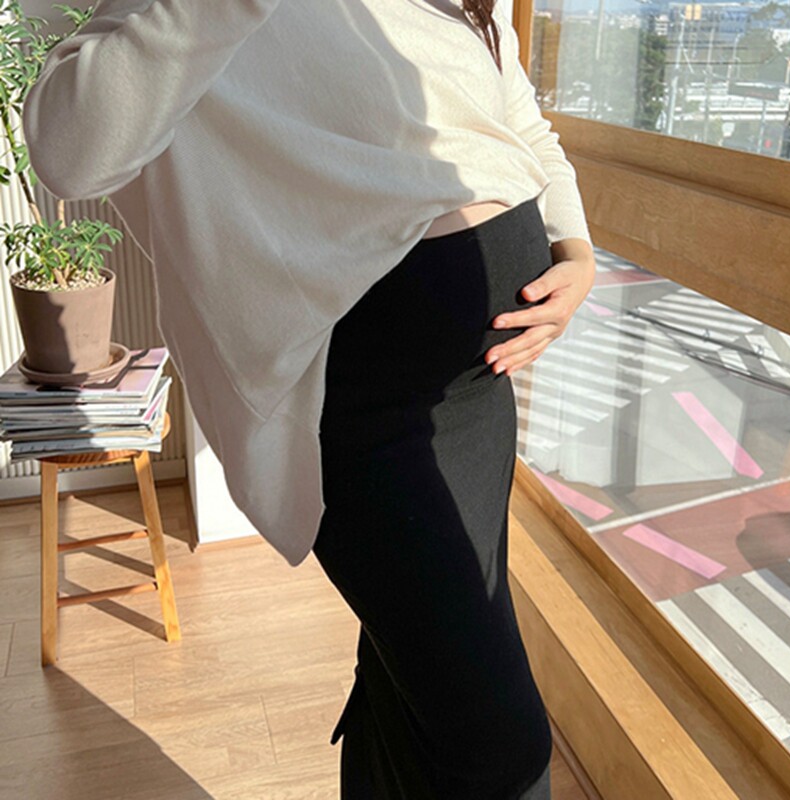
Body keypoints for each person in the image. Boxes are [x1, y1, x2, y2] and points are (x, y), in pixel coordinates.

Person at [22, 0, 596, 796]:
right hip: (368, 405)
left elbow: (514, 114)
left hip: (478, 390)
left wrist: (576, 249)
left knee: (408, 682)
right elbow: (68, 149)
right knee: (501, 744)